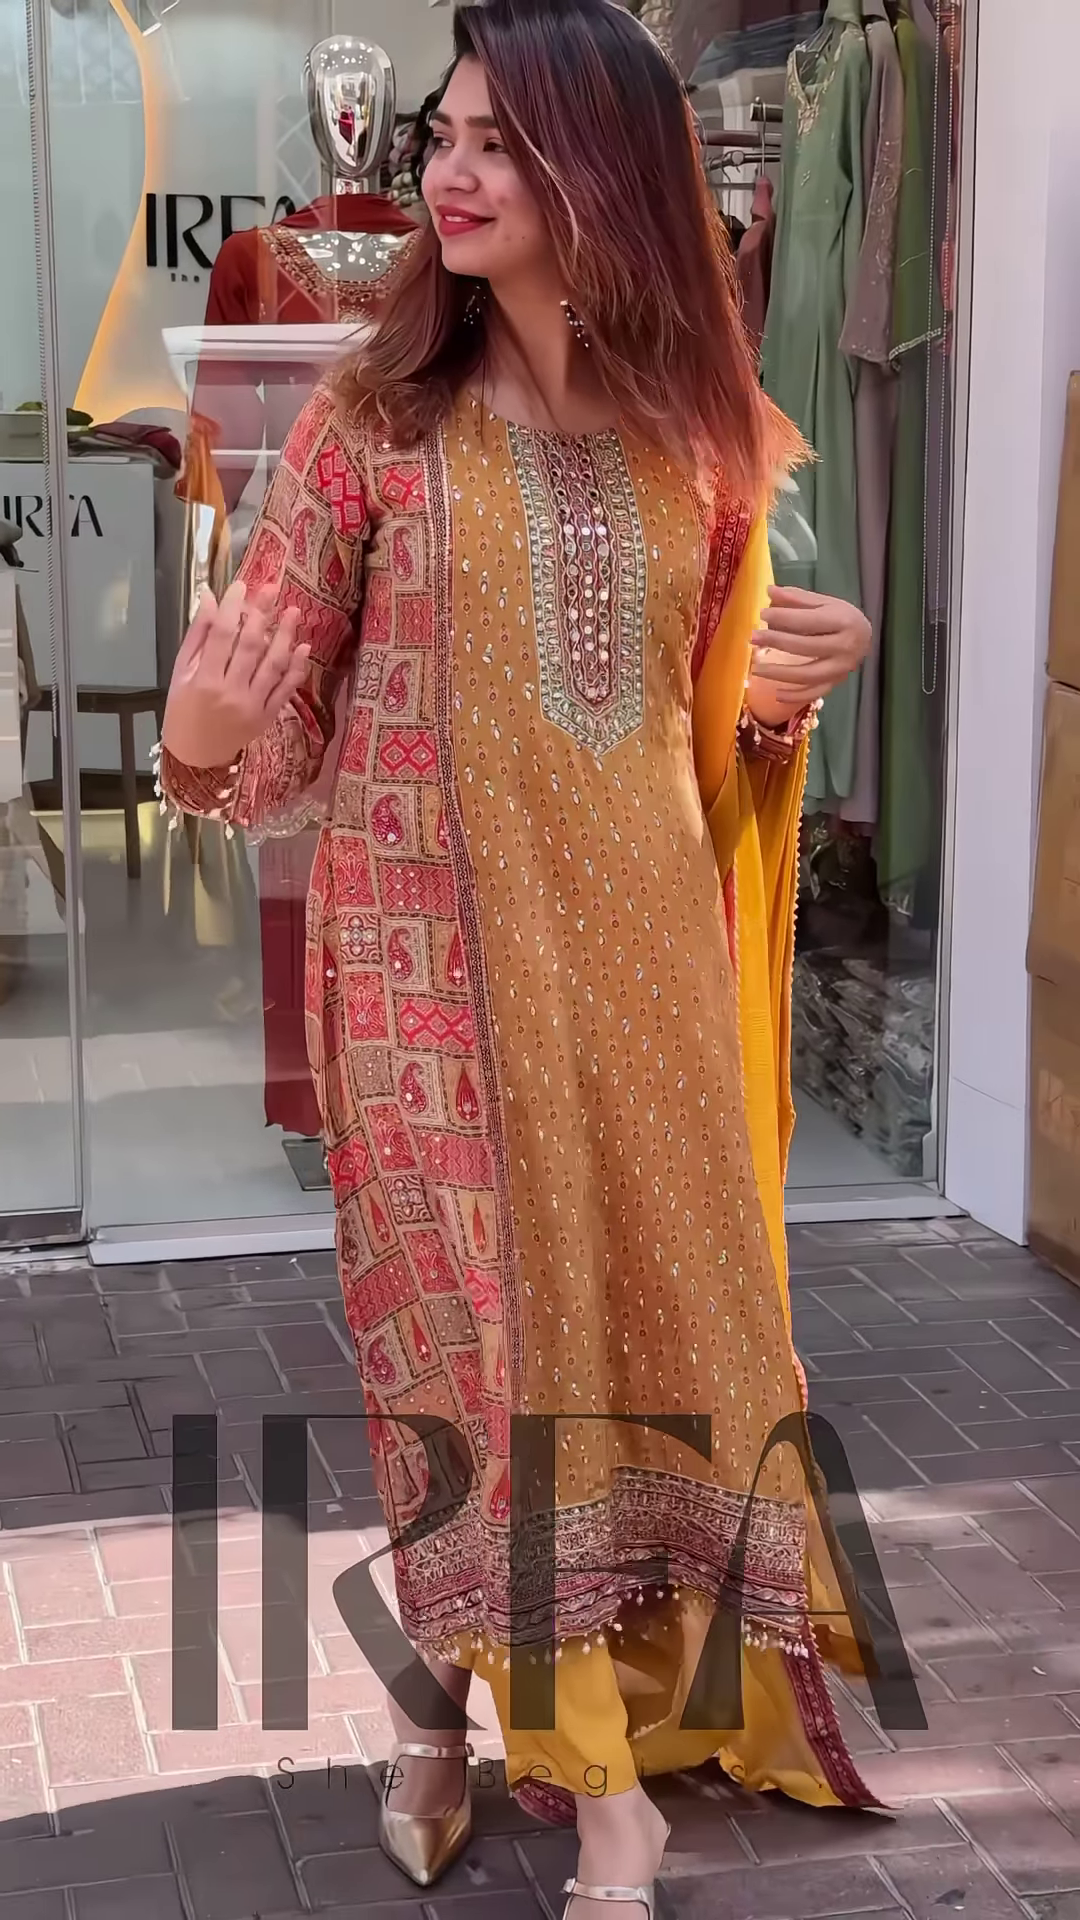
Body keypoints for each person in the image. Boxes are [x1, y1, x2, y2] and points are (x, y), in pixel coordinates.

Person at [159, 2, 875, 1914]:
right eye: (445, 135)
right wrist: (200, 739)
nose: (449, 172)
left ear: (602, 169)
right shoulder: (373, 421)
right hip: (426, 988)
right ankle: (600, 1790)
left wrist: (793, 693)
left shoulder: (704, 440)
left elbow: (698, 732)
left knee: (649, 1338)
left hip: (641, 975)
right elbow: (251, 736)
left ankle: (439, 1714)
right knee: (484, 1363)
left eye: (498, 141)